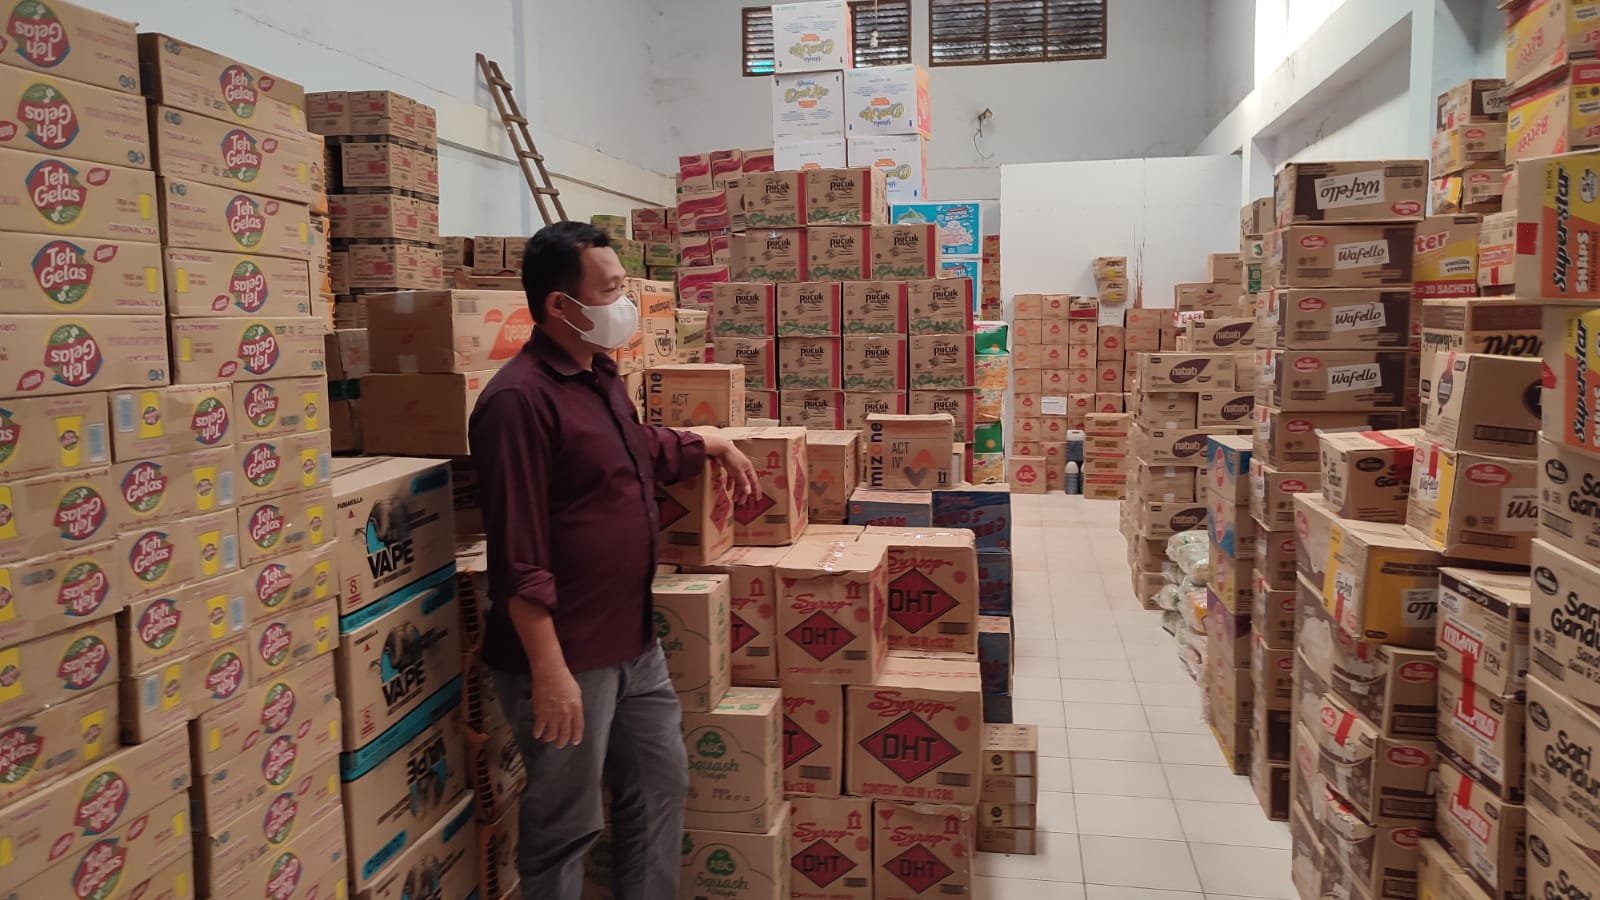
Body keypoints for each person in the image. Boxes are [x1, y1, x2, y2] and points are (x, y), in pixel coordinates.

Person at [468, 220, 757, 899]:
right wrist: (550, 672)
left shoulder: (597, 374)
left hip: (632, 639)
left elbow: (633, 451)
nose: (624, 303)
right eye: (610, 290)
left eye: (625, 287)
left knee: (659, 784)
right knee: (565, 823)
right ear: (559, 305)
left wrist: (705, 441)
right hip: (567, 654)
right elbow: (517, 554)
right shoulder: (517, 402)